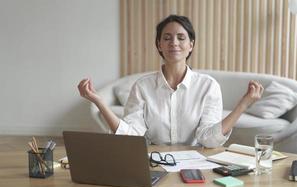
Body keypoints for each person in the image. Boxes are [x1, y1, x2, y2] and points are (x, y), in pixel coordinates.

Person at [78, 15, 264, 148]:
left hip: (196, 163)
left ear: (191, 45)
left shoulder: (208, 86)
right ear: (159, 45)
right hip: (154, 161)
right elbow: (131, 136)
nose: (173, 42)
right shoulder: (142, 87)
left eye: (181, 38)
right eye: (167, 38)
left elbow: (208, 139)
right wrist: (99, 102)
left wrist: (244, 104)